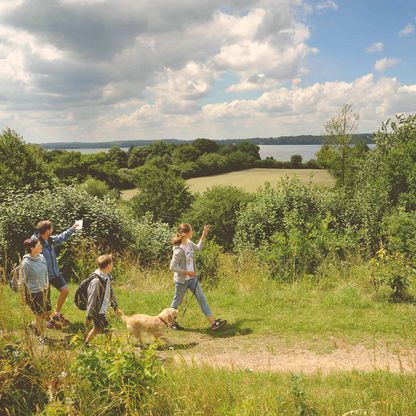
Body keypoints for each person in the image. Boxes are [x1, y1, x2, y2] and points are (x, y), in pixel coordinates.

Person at [169, 223, 226, 331]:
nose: (192, 231)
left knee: (202, 299)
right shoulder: (178, 249)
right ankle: (170, 322)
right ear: (186, 233)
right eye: (191, 230)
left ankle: (214, 324)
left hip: (192, 279)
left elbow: (199, 248)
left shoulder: (189, 243)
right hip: (181, 281)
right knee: (176, 302)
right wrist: (186, 272)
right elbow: (172, 267)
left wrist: (203, 234)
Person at [33, 220, 79, 328]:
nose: (52, 230)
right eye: (51, 228)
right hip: (44, 277)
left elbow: (61, 237)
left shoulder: (50, 240)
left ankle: (56, 314)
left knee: (65, 290)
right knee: (45, 304)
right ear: (47, 230)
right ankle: (44, 323)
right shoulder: (36, 243)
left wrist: (72, 229)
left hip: (55, 274)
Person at [18, 237, 50, 344]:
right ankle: (42, 337)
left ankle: (33, 325)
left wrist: (47, 285)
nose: (41, 246)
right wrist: (23, 297)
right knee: (40, 315)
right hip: (34, 292)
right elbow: (21, 281)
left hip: (44, 290)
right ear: (32, 248)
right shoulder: (26, 263)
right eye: (39, 245)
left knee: (47, 313)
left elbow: (46, 273)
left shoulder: (42, 257)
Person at [84, 254, 119, 346]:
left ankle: (86, 344)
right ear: (108, 265)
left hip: (102, 309)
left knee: (97, 328)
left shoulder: (106, 277)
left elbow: (110, 292)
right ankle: (108, 349)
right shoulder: (96, 281)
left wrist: (115, 305)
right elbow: (92, 298)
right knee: (108, 330)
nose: (113, 265)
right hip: (97, 311)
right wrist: (89, 315)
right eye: (112, 263)